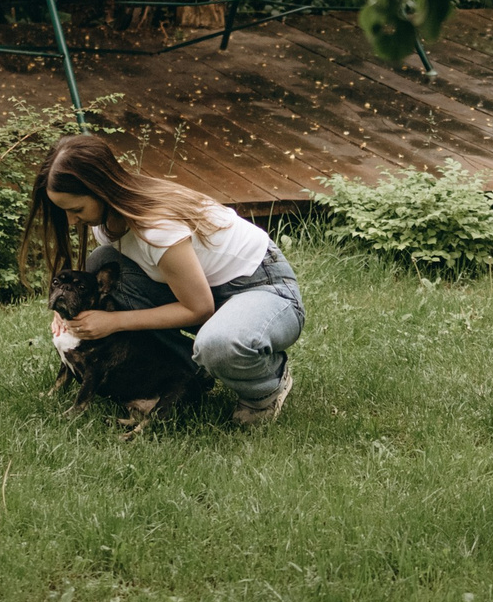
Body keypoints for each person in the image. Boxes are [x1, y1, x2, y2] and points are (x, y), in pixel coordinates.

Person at [23, 134, 302, 424]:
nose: (70, 220)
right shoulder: (107, 219)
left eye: (76, 210)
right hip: (207, 289)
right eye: (63, 211)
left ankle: (266, 385)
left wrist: (113, 321)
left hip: (264, 287)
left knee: (218, 344)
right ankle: (187, 369)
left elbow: (199, 308)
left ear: (100, 190)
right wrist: (69, 307)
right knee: (101, 264)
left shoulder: (156, 226)